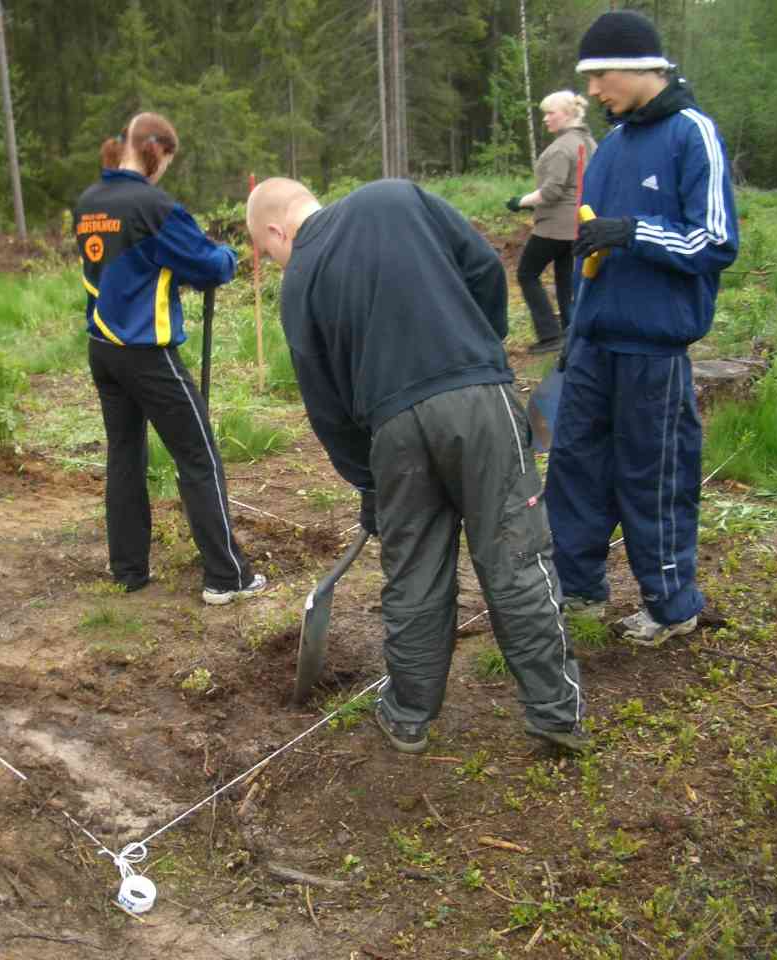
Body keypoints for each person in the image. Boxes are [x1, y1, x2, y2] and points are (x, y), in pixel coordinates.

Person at [247, 177, 584, 754]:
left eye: (265, 249)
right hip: (480, 404)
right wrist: (479, 343)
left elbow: (326, 408)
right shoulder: (394, 198)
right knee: (516, 557)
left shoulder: (299, 281)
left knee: (414, 575)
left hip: (392, 431)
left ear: (276, 230)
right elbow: (483, 268)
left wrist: (369, 483)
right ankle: (555, 714)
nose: (276, 260)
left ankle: (408, 717)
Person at [545, 11, 738, 646]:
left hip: (652, 349)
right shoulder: (612, 147)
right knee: (573, 467)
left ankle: (671, 605)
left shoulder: (692, 134)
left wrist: (633, 232)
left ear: (638, 68)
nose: (593, 91)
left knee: (652, 476)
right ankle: (577, 589)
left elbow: (715, 241)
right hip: (593, 343)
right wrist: (574, 334)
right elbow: (592, 251)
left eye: (600, 76)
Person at [73, 112, 265, 605]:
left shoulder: (89, 202)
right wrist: (227, 257)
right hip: (146, 352)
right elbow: (208, 266)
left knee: (124, 455)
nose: (163, 173)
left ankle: (128, 570)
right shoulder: (153, 206)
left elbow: (132, 264)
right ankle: (227, 577)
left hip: (103, 349)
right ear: (155, 150)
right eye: (166, 162)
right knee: (198, 455)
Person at [506, 90, 597, 353]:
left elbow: (552, 191)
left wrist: (520, 201)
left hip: (555, 226)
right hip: (581, 223)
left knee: (527, 273)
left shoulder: (561, 148)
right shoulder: (588, 142)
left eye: (550, 113)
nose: (545, 119)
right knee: (566, 280)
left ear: (567, 114)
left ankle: (549, 335)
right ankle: (571, 334)